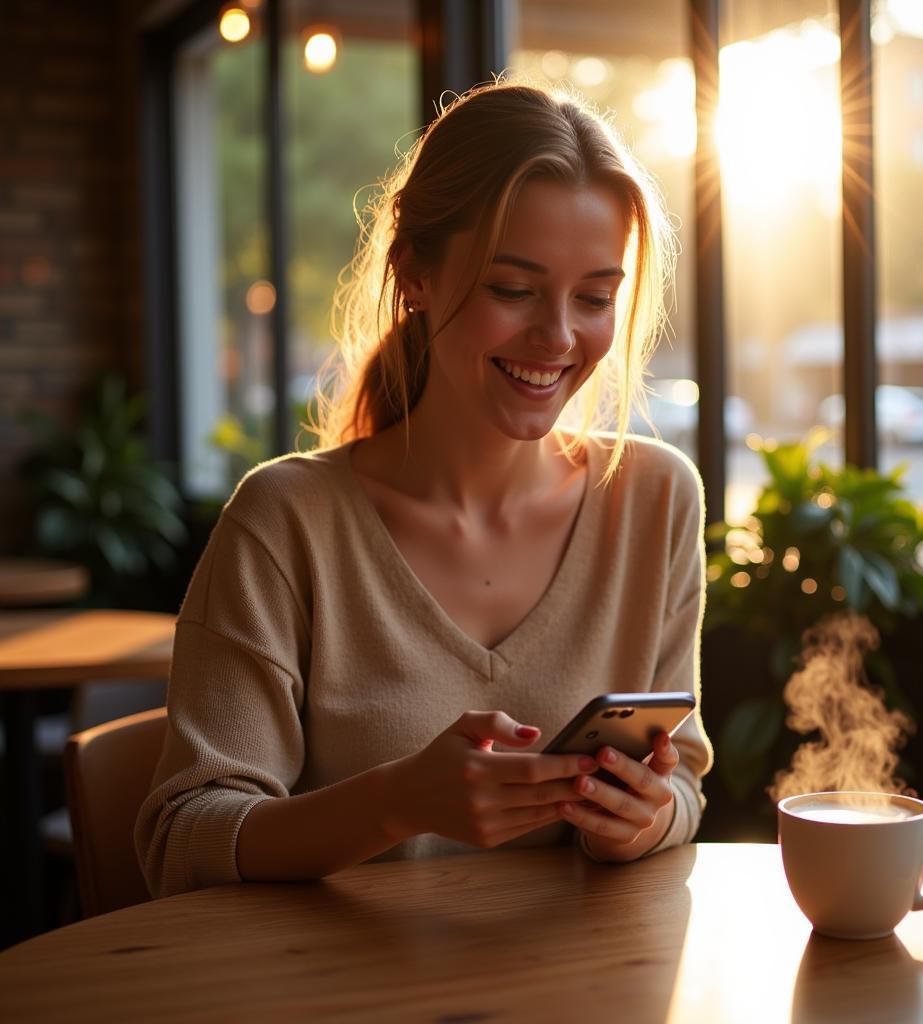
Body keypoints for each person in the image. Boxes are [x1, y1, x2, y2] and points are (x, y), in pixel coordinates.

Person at [135, 80, 713, 898]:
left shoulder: (654, 499)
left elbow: (682, 780)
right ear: (415, 273)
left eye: (593, 297)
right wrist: (397, 803)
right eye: (512, 289)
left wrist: (645, 821)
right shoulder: (287, 522)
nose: (558, 338)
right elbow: (182, 837)